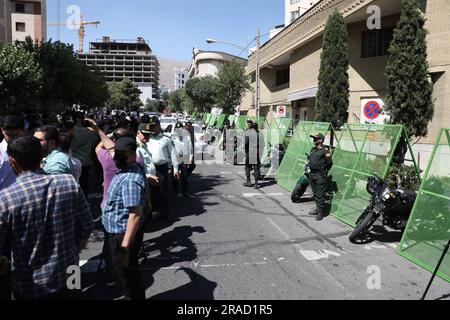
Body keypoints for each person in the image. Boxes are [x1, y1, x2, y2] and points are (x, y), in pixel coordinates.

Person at [0, 136, 93, 300]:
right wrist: (76, 249)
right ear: (41, 156)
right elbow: (87, 224)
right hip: (71, 271)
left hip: (31, 285)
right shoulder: (69, 182)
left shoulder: (6, 199)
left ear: (12, 161)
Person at [102, 137, 147, 300]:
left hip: (122, 235)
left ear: (133, 155)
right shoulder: (129, 168)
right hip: (117, 232)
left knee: (127, 276)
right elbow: (109, 146)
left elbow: (134, 215)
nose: (116, 157)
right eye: (116, 153)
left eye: (121, 154)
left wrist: (124, 248)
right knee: (126, 274)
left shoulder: (130, 179)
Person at [146, 116, 180, 222]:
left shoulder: (166, 139)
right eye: (150, 126)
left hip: (162, 168)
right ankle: (149, 215)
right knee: (149, 192)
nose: (152, 128)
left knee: (163, 192)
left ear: (159, 126)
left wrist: (176, 169)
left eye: (154, 126)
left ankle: (166, 213)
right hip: (149, 168)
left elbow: (173, 154)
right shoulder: (146, 139)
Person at [71, 113, 100, 197]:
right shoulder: (90, 132)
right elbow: (95, 144)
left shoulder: (71, 131)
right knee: (84, 184)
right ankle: (84, 201)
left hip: (73, 161)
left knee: (74, 183)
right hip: (85, 161)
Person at [308, 133, 333, 221]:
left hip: (320, 175)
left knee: (320, 194)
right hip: (312, 174)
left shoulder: (325, 150)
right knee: (315, 193)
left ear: (321, 140)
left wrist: (323, 171)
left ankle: (321, 212)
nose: (314, 140)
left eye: (316, 138)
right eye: (313, 138)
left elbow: (329, 163)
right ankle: (317, 208)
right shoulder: (312, 149)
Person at [171, 122, 193, 197]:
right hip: (175, 157)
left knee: (184, 175)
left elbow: (190, 148)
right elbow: (171, 148)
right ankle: (175, 191)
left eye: (180, 130)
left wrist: (190, 158)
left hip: (184, 158)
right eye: (177, 130)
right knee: (174, 175)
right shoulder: (173, 137)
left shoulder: (187, 137)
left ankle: (184, 192)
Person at [243, 120, 263, 189]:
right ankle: (256, 184)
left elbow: (246, 143)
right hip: (256, 153)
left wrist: (246, 151)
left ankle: (248, 182)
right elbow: (263, 145)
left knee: (247, 167)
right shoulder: (260, 134)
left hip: (250, 153)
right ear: (257, 127)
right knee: (256, 169)